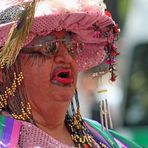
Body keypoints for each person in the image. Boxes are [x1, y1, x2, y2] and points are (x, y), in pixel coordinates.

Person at [0, 0, 141, 147]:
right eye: (49, 47)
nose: (67, 58)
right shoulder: (6, 140)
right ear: (3, 69)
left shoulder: (102, 138)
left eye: (71, 46)